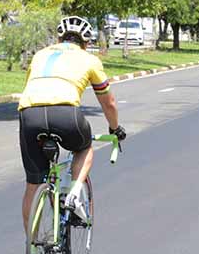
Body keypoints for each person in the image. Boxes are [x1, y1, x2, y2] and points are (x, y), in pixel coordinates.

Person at [18, 16, 126, 233]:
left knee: (33, 183)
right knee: (84, 148)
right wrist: (115, 128)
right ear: (86, 42)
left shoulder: (40, 54)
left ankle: (33, 249)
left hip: (29, 114)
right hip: (65, 112)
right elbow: (108, 102)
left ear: (59, 38)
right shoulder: (89, 59)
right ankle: (74, 195)